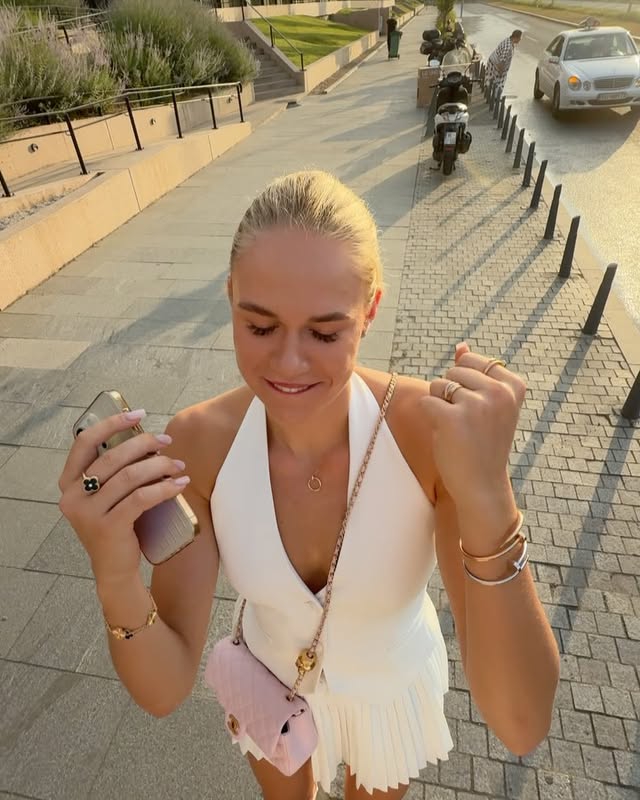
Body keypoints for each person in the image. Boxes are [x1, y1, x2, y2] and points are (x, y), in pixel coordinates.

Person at [58, 170, 560, 800]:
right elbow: (163, 688)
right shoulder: (201, 442)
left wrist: (490, 496)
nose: (289, 363)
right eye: (259, 327)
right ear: (230, 297)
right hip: (270, 686)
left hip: (387, 690)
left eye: (325, 333)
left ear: (370, 311)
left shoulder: (427, 435)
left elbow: (520, 723)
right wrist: (113, 572)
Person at [486, 29, 522, 94]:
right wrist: (501, 72)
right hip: (495, 66)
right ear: (516, 37)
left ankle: (491, 95)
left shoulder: (509, 40)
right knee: (496, 87)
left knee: (492, 84)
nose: (520, 39)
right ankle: (493, 97)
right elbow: (502, 61)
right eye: (520, 38)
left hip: (494, 63)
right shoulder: (508, 47)